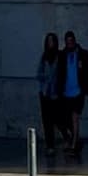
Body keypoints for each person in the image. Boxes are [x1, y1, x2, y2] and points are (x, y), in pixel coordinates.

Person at [60, 29, 88, 157]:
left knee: (75, 117)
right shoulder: (62, 55)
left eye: (71, 41)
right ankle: (73, 139)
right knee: (64, 119)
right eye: (67, 41)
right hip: (65, 92)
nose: (69, 44)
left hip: (78, 91)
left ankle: (74, 144)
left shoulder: (83, 54)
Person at [35, 29, 66, 158]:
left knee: (58, 119)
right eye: (49, 41)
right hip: (45, 93)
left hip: (56, 93)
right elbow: (38, 74)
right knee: (47, 121)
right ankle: (50, 146)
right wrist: (46, 78)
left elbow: (63, 73)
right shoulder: (44, 57)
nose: (50, 44)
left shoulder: (59, 57)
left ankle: (68, 138)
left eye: (52, 41)